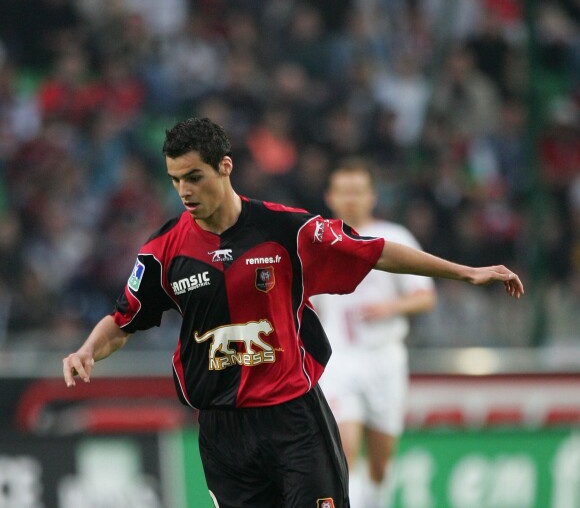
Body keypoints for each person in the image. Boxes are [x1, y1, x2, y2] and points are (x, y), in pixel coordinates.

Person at [62, 117, 524, 508]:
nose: (184, 190)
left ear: (225, 167)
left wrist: (466, 273)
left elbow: (374, 250)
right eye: (175, 179)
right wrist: (87, 350)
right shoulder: (163, 251)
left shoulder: (286, 228)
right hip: (223, 432)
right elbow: (123, 320)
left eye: (194, 177)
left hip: (293, 418)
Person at [313, 158, 437, 508]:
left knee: (381, 463)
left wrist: (390, 308)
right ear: (330, 196)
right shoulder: (316, 243)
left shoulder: (393, 237)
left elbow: (425, 295)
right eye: (344, 191)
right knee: (344, 452)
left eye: (358, 191)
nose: (350, 199)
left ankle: (375, 500)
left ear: (372, 196)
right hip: (338, 362)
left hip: (384, 359)